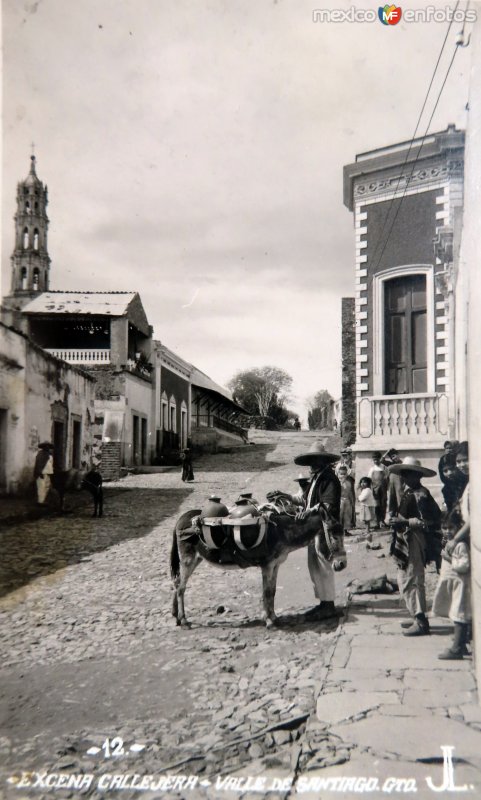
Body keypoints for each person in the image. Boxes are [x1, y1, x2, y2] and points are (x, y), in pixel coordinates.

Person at [388, 456, 441, 637]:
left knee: (413, 578)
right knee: (406, 578)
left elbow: (430, 520)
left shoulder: (421, 495)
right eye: (403, 474)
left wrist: (404, 521)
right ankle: (416, 614)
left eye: (408, 474)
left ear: (417, 476)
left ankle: (421, 621)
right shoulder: (409, 492)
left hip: (415, 540)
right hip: (406, 539)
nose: (404, 477)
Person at [293, 441, 342, 620]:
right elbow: (306, 500)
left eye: (316, 460)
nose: (312, 464)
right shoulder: (316, 478)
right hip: (314, 527)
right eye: (311, 460)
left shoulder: (329, 479)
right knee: (314, 565)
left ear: (323, 461)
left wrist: (309, 511)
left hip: (325, 528)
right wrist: (287, 498)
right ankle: (322, 602)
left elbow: (327, 504)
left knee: (324, 565)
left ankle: (328, 604)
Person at [432, 508, 471, 660]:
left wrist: (450, 560)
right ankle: (462, 644)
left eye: (451, 528)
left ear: (459, 527)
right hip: (454, 585)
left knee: (459, 614)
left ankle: (457, 648)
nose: (447, 531)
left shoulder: (460, 545)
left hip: (461, 585)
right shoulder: (450, 542)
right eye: (444, 528)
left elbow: (464, 564)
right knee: (456, 613)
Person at [368, 452, 388, 529]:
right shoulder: (372, 469)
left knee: (383, 504)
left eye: (377, 460)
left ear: (380, 459)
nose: (376, 461)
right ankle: (377, 521)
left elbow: (387, 477)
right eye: (374, 460)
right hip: (375, 490)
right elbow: (369, 479)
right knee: (376, 506)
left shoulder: (384, 468)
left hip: (383, 489)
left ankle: (382, 521)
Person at [338, 465, 355, 535]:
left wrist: (352, 501)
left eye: (344, 474)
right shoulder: (337, 483)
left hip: (347, 500)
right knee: (340, 516)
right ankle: (339, 530)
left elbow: (350, 492)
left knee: (347, 515)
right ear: (338, 474)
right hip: (340, 500)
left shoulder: (348, 483)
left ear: (347, 474)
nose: (343, 476)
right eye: (341, 474)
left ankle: (345, 530)